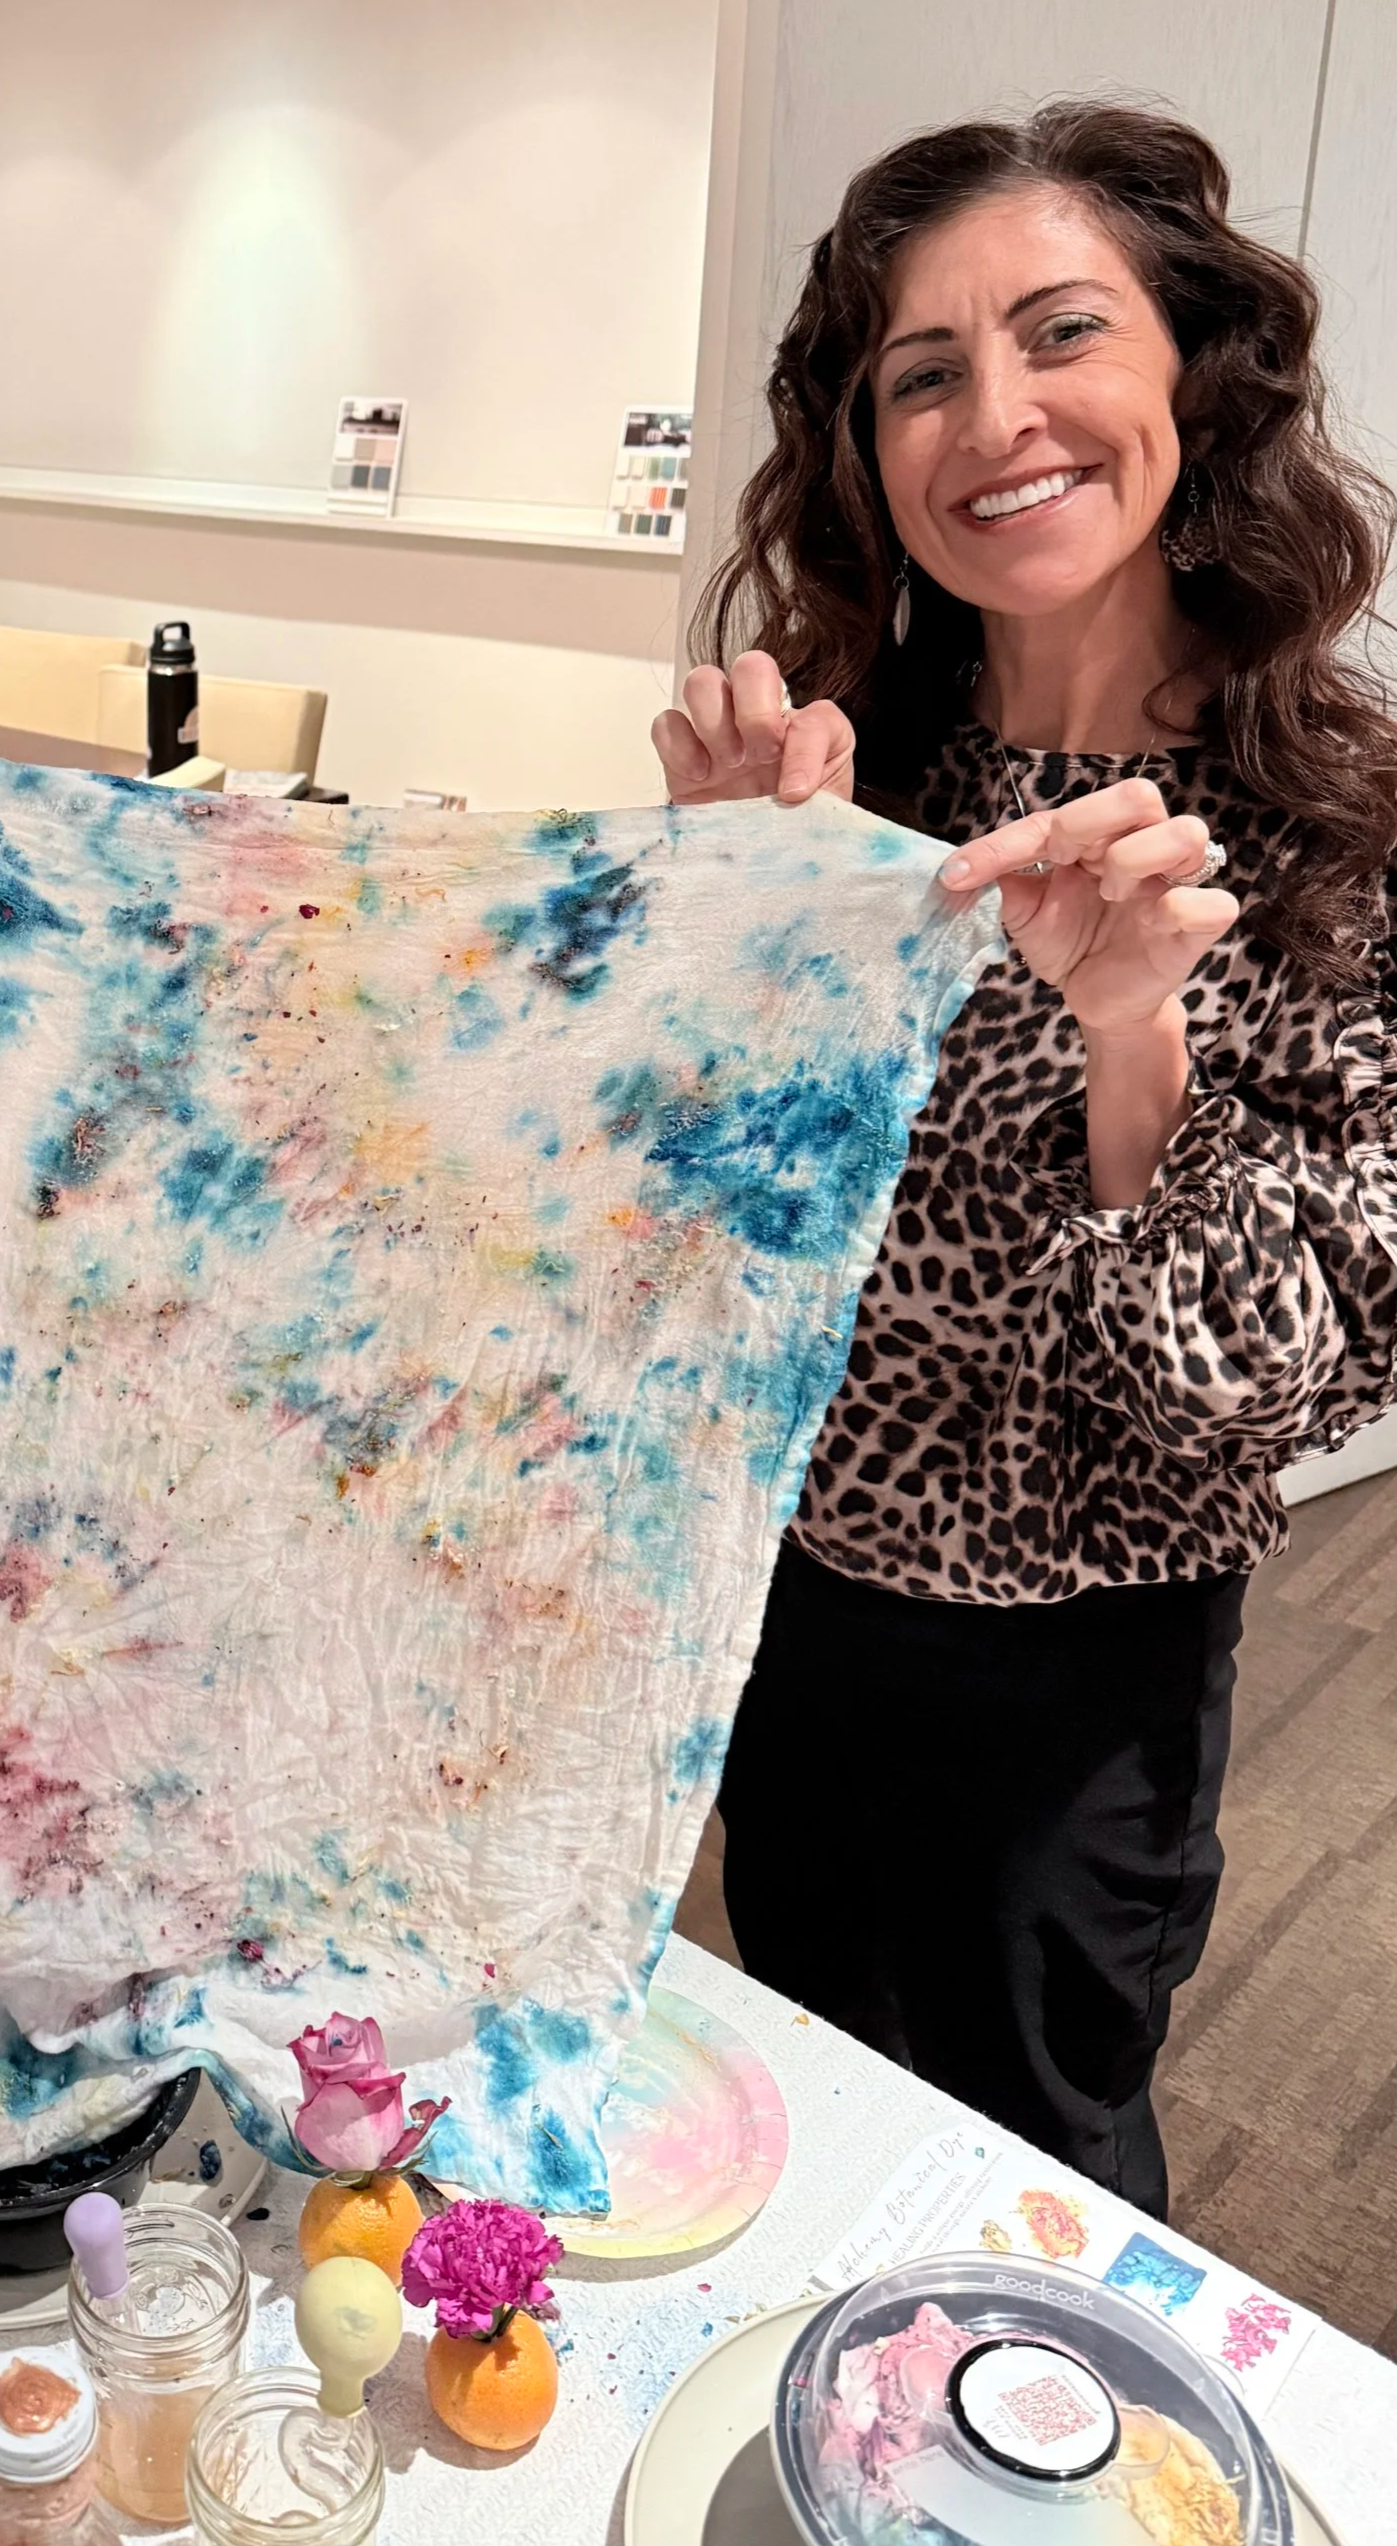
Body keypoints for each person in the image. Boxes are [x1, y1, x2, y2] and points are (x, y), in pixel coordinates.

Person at [655, 103, 1397, 2217]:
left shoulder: (1338, 837)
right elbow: (688, 1232)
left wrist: (1131, 1034)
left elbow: (1275, 1385)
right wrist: (713, 919)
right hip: (790, 1608)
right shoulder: (852, 779)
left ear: (1197, 381)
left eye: (1062, 333)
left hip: (1076, 1688)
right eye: (922, 374)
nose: (995, 418)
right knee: (800, 2101)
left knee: (1030, 2177)